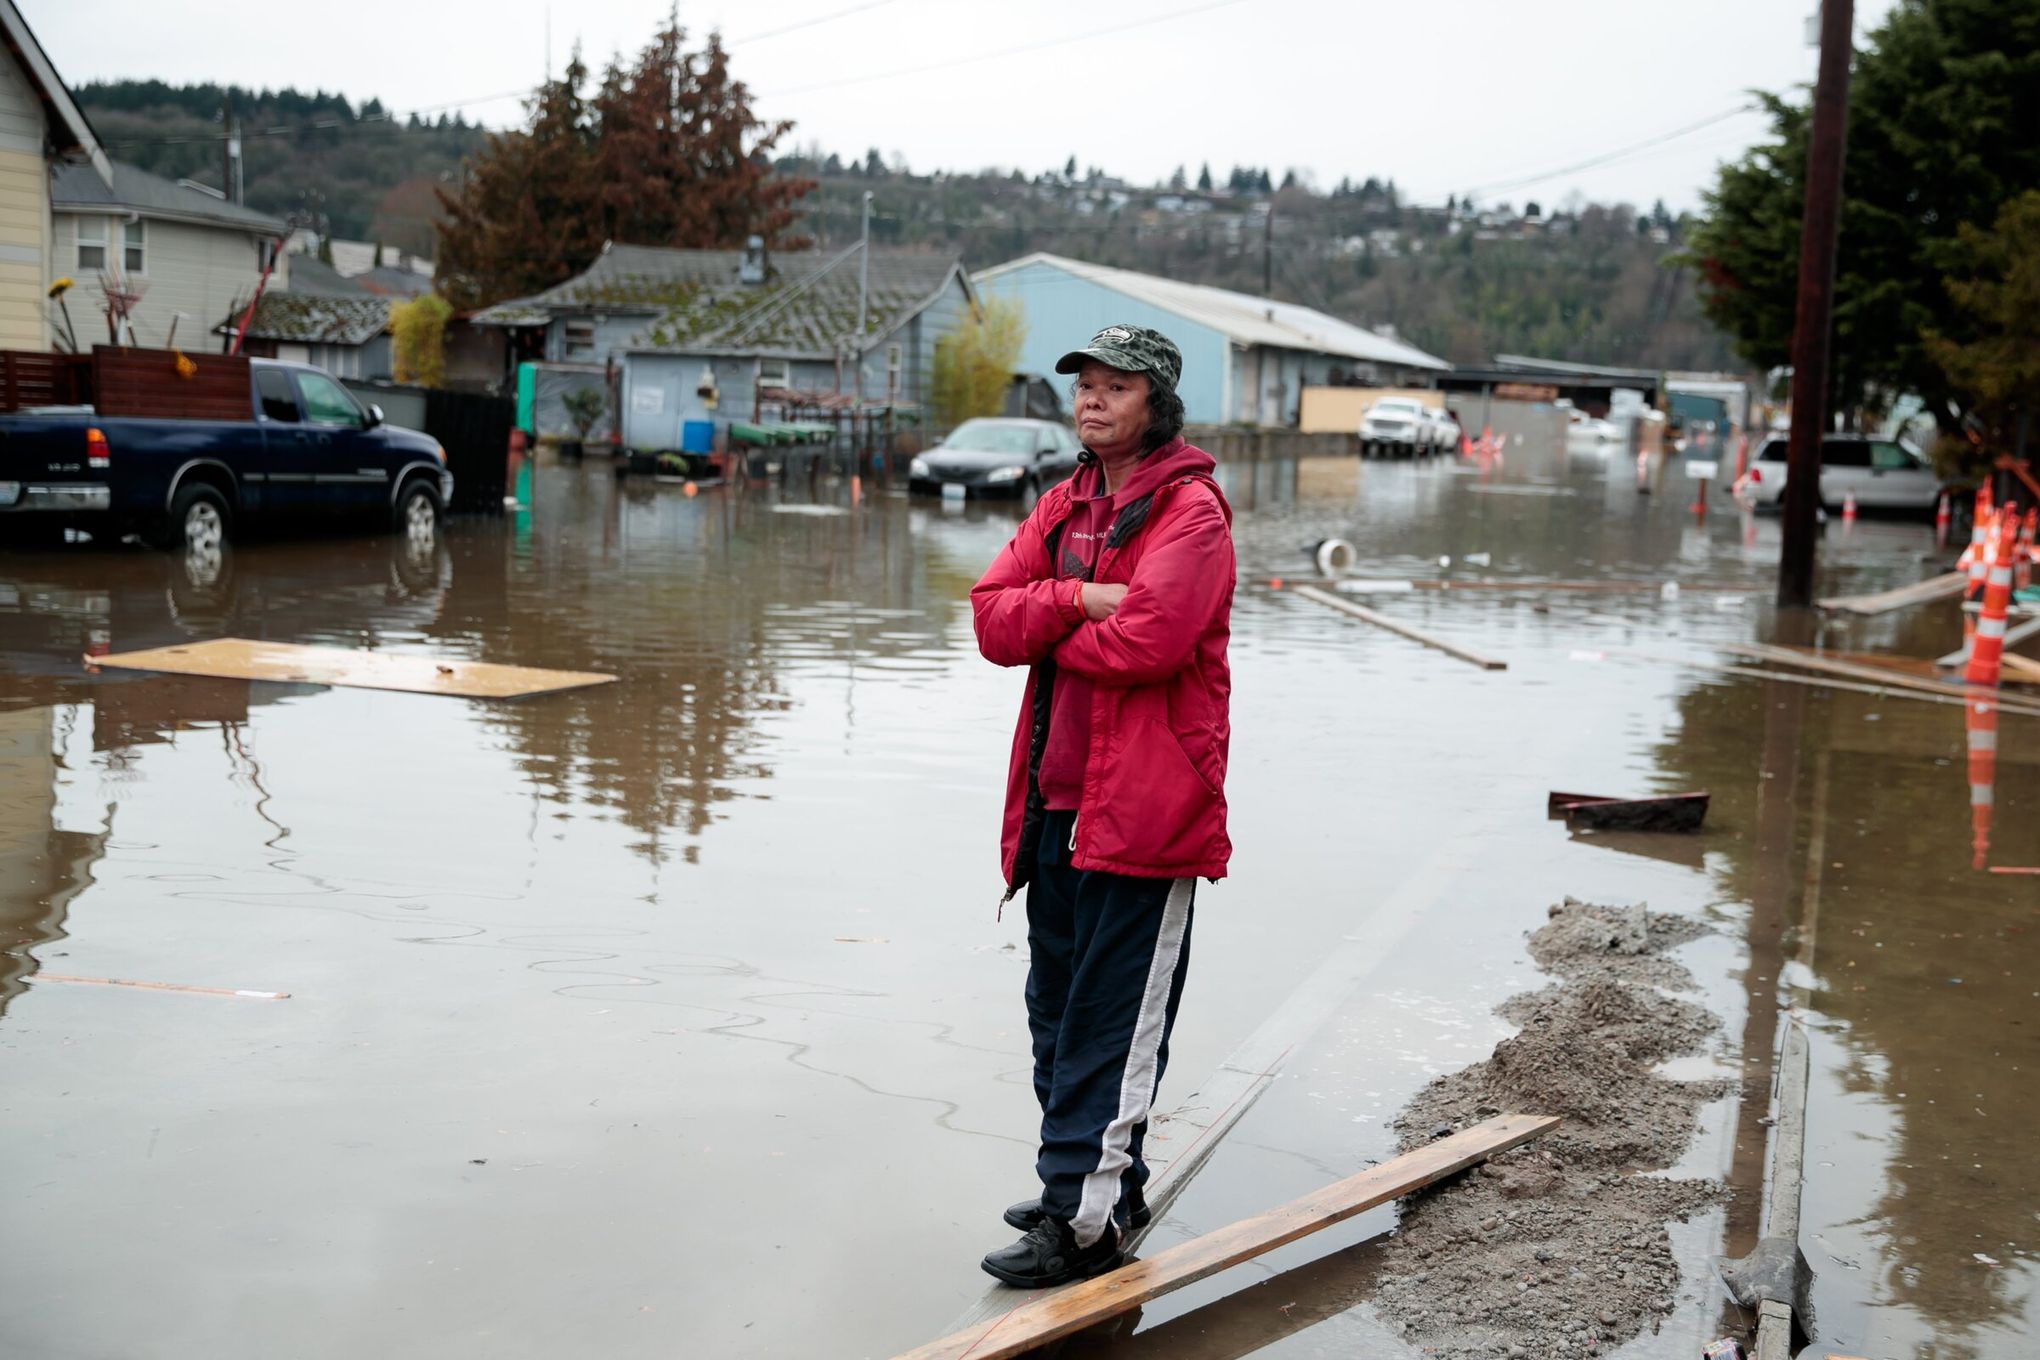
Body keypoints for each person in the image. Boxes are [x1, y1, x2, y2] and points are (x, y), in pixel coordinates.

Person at [969, 325, 1235, 1288]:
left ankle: (1082, 1229)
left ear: (1155, 403)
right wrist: (1079, 602)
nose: (1091, 401)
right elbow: (991, 618)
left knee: (1109, 1030)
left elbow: (1152, 644)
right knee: (1054, 1009)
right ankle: (1084, 1187)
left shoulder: (1192, 515)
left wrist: (1050, 616)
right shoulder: (1065, 502)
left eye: (1115, 387)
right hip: (1054, 805)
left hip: (1143, 816)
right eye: (1084, 385)